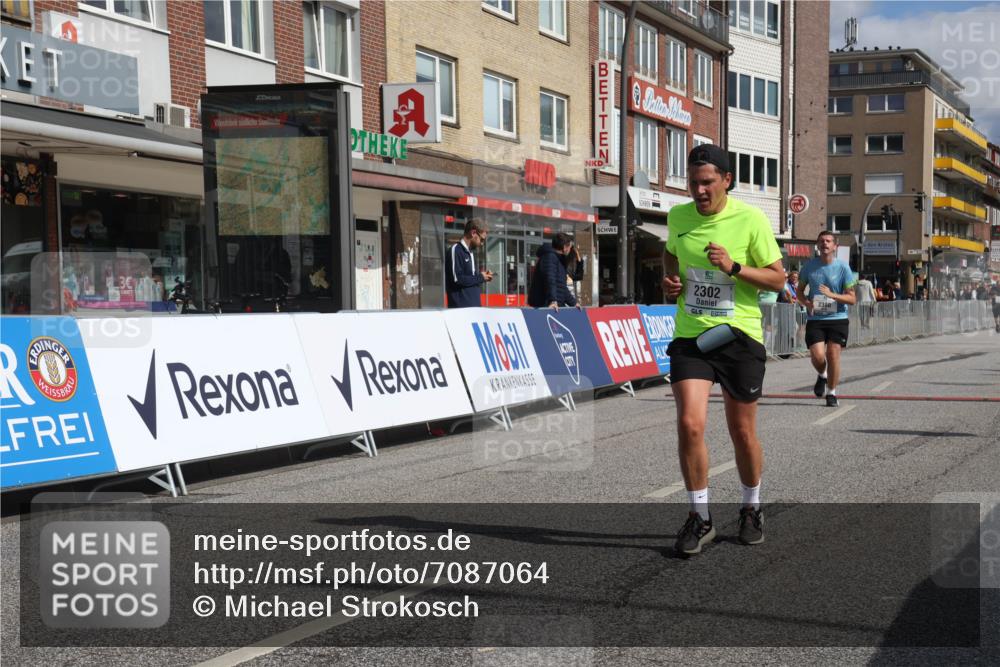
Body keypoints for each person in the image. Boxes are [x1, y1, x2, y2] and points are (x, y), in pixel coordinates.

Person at [660, 144, 785, 555]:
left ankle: (751, 508)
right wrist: (670, 281)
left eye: (707, 182)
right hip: (691, 335)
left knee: (742, 431)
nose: (699, 191)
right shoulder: (678, 216)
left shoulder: (751, 219)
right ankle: (700, 516)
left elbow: (778, 279)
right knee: (690, 424)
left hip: (739, 338)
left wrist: (733, 267)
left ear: (726, 180)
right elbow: (669, 256)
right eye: (693, 183)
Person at [798, 231, 857, 408]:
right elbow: (799, 292)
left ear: (835, 246)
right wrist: (808, 304)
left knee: (833, 355)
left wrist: (831, 294)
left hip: (838, 318)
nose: (825, 243)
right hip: (816, 319)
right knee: (817, 356)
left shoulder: (843, 267)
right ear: (817, 245)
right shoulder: (809, 266)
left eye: (828, 241)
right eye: (822, 241)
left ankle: (831, 392)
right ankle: (822, 374)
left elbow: (852, 299)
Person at [527, 232, 584, 309]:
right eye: (570, 247)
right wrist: (553, 300)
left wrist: (573, 303)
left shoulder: (559, 260)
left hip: (557, 306)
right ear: (564, 247)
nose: (570, 250)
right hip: (546, 305)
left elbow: (561, 287)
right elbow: (550, 280)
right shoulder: (550, 257)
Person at [445, 219, 493, 308]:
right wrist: (480, 277)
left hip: (474, 308)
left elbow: (470, 279)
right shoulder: (456, 250)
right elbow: (457, 279)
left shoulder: (470, 252)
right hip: (461, 310)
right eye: (481, 239)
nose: (482, 244)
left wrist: (482, 277)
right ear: (473, 233)